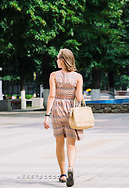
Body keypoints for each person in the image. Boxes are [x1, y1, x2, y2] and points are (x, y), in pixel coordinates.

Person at [44, 48, 83, 187]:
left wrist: (47, 116)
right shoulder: (78, 77)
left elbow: (52, 96)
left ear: (62, 60)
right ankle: (70, 168)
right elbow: (79, 98)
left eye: (57, 58)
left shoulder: (54, 75)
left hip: (57, 111)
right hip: (71, 113)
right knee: (71, 144)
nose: (56, 60)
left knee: (59, 144)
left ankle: (62, 174)